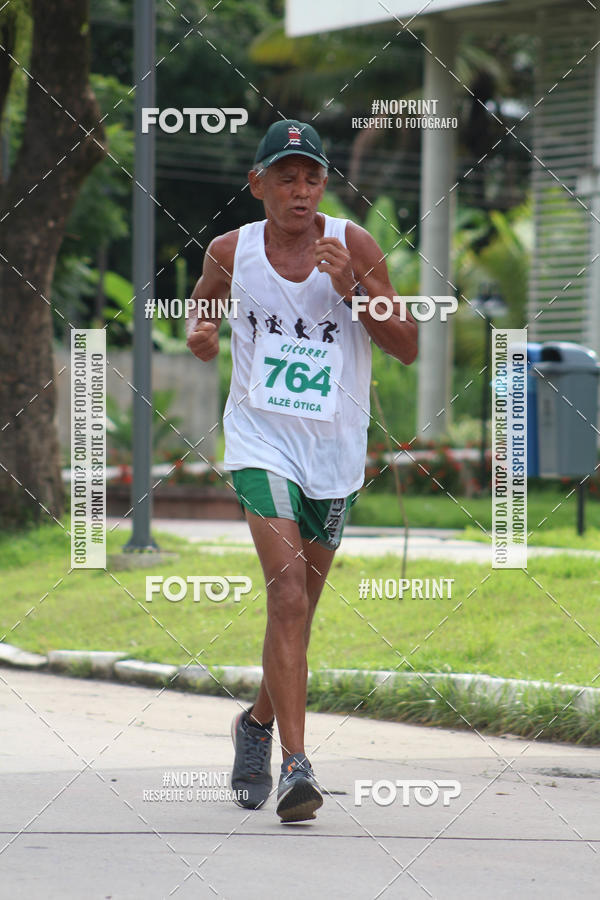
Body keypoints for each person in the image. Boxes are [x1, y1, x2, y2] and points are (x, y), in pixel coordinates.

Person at [186, 119, 418, 823]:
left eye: (311, 176)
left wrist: (353, 291)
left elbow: (406, 343)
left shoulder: (352, 245)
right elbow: (204, 308)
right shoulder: (231, 250)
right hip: (261, 442)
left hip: (334, 454)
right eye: (284, 175)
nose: (299, 189)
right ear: (257, 183)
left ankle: (254, 725)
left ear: (324, 184)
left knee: (300, 610)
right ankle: (296, 765)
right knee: (285, 593)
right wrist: (200, 334)